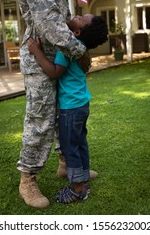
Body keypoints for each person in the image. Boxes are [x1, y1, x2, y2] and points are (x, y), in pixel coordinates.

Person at [14, 0, 96, 209]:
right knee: (39, 119)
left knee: (65, 114)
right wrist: (78, 50)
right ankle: (27, 180)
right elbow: (47, 19)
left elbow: (64, 16)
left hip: (60, 56)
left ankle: (66, 165)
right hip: (41, 57)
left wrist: (73, 49)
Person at [27, 14, 108, 203]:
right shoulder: (81, 48)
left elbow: (55, 73)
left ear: (77, 32)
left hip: (71, 108)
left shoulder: (67, 49)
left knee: (70, 147)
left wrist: (36, 51)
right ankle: (83, 177)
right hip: (81, 105)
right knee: (79, 143)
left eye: (81, 18)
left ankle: (78, 189)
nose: (77, 15)